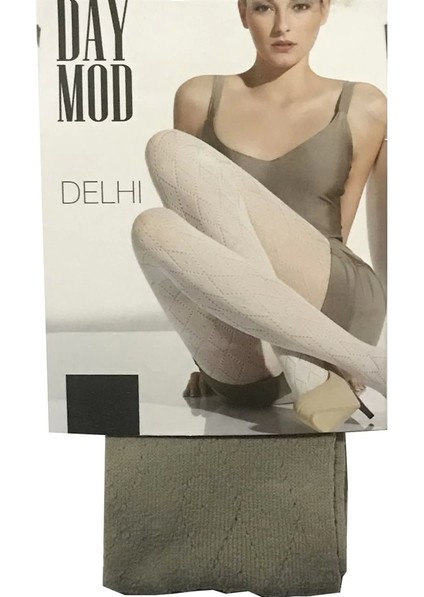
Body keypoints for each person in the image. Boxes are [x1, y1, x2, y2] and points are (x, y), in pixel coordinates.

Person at [130, 0, 387, 432]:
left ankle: (357, 361)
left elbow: (361, 230)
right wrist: (204, 342)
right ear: (243, 12)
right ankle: (326, 372)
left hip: (333, 303)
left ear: (324, 10)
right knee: (150, 226)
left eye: (300, 6)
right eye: (265, 7)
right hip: (247, 330)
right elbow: (197, 242)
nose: (282, 25)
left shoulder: (363, 104)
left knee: (168, 148)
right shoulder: (199, 97)